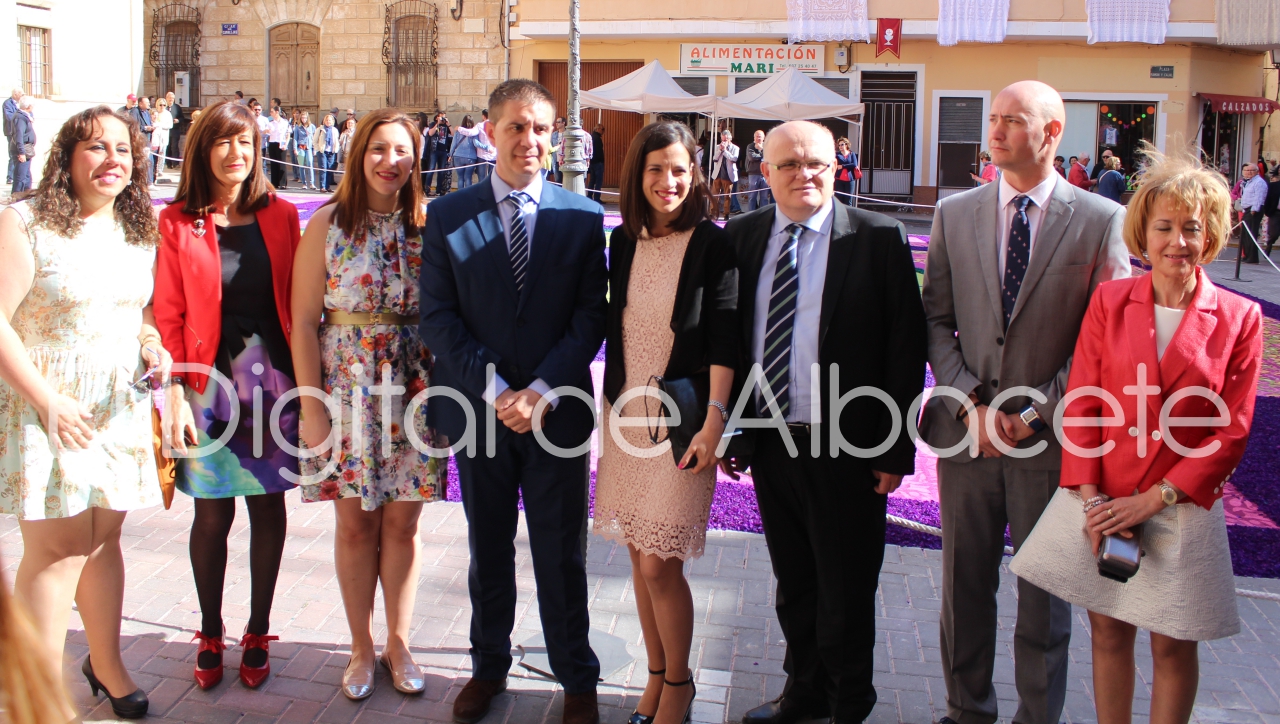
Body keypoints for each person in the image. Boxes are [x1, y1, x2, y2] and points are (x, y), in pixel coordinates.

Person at [1011, 145, 1263, 724]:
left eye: (1192, 228)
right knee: (1108, 631)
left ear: (1213, 235)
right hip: (1105, 498)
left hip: (1182, 502)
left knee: (1174, 641)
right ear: (1143, 235)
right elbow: (1082, 401)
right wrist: (1095, 497)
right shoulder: (1110, 300)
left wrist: (1157, 498)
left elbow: (1232, 426)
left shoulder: (1239, 317)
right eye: (1165, 227)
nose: (1178, 241)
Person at [918, 80, 1131, 724]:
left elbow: (1108, 336)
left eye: (1014, 120)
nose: (997, 130)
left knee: (1044, 603)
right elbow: (936, 319)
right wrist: (972, 406)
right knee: (964, 591)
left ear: (1052, 132)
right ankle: (967, 711)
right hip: (969, 437)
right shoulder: (955, 214)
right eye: (994, 118)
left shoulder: (1099, 221)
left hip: (1050, 448)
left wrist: (1034, 410)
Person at [722, 120, 926, 724]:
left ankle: (847, 704)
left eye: (815, 163)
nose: (803, 174)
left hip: (849, 446)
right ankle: (803, 693)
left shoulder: (877, 236)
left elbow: (904, 346)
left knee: (846, 587)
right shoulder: (742, 234)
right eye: (788, 165)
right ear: (765, 172)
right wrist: (734, 425)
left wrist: (895, 448)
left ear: (835, 167)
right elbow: (733, 339)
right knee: (796, 582)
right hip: (771, 441)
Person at [419, 79, 606, 724]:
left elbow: (590, 318)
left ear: (555, 138)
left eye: (542, 130)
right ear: (491, 132)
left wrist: (542, 391)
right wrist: (501, 392)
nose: (530, 141)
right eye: (517, 128)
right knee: (488, 547)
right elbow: (438, 319)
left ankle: (577, 677)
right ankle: (487, 669)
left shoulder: (580, 218)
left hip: (558, 416)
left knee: (561, 551)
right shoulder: (447, 215)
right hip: (481, 412)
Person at [0, 105, 165, 719]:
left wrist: (151, 344)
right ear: (66, 156)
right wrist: (47, 400)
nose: (112, 160)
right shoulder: (25, 223)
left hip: (116, 403)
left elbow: (137, 312)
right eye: (96, 147)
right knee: (58, 548)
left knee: (102, 541)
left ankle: (106, 663)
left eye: (123, 149)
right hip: (47, 405)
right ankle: (31, 697)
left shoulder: (134, 229)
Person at [292, 107, 441, 702]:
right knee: (354, 524)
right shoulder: (328, 223)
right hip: (345, 386)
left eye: (401, 150)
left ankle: (398, 642)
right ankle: (360, 645)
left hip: (416, 385)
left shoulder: (430, 223)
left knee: (403, 522)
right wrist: (312, 408)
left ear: (416, 158)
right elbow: (304, 322)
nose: (390, 161)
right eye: (377, 149)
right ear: (359, 155)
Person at [153, 100, 301, 691]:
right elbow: (167, 316)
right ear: (203, 150)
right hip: (205, 389)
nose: (235, 154)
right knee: (211, 515)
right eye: (223, 142)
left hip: (273, 389)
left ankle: (258, 630)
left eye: (245, 142)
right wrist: (177, 395)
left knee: (269, 507)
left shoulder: (283, 215)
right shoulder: (176, 222)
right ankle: (211, 629)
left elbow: (299, 305)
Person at [596, 120, 737, 724]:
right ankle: (654, 680)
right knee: (636, 552)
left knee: (660, 561)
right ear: (638, 175)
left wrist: (714, 422)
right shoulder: (624, 241)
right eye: (656, 169)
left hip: (683, 425)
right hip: (626, 418)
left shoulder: (712, 243)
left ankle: (678, 685)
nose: (669, 181)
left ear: (695, 173)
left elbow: (726, 340)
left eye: (680, 169)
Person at [708, 129, 739, 220]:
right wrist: (720, 150)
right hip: (717, 174)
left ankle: (726, 213)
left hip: (728, 175)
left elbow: (734, 159)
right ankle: (712, 212)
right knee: (714, 194)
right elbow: (714, 159)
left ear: (730, 139)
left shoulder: (735, 148)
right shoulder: (718, 146)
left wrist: (725, 151)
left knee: (727, 196)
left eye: (725, 140)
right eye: (722, 140)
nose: (723, 142)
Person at [1240, 162, 1266, 263]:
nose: (1249, 172)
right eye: (1247, 170)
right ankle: (1247, 255)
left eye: (1251, 170)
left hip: (1253, 210)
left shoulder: (1259, 182)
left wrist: (1254, 209)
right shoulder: (1248, 182)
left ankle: (1252, 257)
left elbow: (1259, 197)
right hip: (1247, 209)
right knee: (1245, 234)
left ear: (1256, 171)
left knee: (1251, 233)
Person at [8, 95, 35, 194]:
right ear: (29, 106)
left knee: (26, 176)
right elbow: (18, 135)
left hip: (26, 149)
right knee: (20, 176)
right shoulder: (20, 117)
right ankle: (16, 197)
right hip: (22, 150)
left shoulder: (24, 116)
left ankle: (25, 196)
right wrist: (21, 152)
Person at [449, 114, 484, 189]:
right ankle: (468, 197)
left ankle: (460, 196)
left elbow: (453, 144)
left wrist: (450, 155)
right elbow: (475, 143)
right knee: (468, 178)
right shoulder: (473, 132)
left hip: (458, 156)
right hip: (470, 157)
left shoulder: (458, 132)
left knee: (460, 178)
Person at [264, 106, 290, 189]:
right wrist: (266, 131)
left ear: (277, 112)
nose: (270, 113)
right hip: (272, 144)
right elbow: (265, 132)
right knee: (273, 164)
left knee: (282, 164)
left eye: (272, 111)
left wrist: (286, 144)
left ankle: (282, 183)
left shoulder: (285, 122)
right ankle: (274, 183)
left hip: (281, 143)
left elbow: (288, 134)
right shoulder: (270, 123)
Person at [743, 129, 769, 211]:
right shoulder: (750, 146)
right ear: (754, 137)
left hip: (765, 174)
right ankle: (751, 214)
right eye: (757, 136)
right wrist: (762, 154)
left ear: (764, 137)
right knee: (752, 196)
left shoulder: (767, 146)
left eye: (760, 137)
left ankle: (763, 214)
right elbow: (752, 157)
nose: (758, 138)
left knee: (764, 197)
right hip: (753, 174)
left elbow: (770, 157)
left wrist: (762, 150)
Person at [315, 113, 339, 192]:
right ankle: (322, 187)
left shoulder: (335, 130)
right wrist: (318, 149)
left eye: (330, 120)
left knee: (329, 169)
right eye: (327, 120)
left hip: (331, 152)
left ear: (332, 121)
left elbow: (336, 140)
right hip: (322, 152)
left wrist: (336, 149)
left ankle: (327, 186)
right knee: (323, 169)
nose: (328, 121)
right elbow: (314, 141)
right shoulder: (320, 129)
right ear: (324, 121)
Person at [151, 98, 173, 184]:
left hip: (163, 134)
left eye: (164, 105)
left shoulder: (167, 114)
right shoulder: (155, 113)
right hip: (155, 135)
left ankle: (160, 169)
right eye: (160, 105)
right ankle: (154, 168)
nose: (162, 107)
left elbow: (170, 125)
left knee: (162, 152)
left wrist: (160, 125)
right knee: (154, 151)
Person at [293, 111, 317, 190]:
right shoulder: (298, 127)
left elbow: (314, 138)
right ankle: (304, 183)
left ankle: (311, 183)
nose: (304, 119)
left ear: (307, 118)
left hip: (309, 147)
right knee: (301, 165)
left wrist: (314, 149)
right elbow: (295, 138)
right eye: (302, 118)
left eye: (305, 118)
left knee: (310, 164)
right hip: (301, 148)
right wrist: (295, 149)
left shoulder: (312, 126)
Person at [166, 90, 185, 170]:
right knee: (167, 147)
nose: (171, 100)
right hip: (166, 130)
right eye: (170, 98)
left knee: (174, 147)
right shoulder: (164, 107)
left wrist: (178, 120)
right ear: (166, 98)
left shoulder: (177, 107)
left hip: (175, 130)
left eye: (172, 98)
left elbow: (182, 118)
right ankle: (168, 163)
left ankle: (175, 163)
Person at [834, 136, 857, 202]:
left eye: (842, 144)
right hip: (839, 180)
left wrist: (842, 166)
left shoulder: (852, 154)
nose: (840, 146)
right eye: (839, 145)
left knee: (848, 199)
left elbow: (854, 164)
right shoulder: (837, 155)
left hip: (850, 180)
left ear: (846, 145)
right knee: (839, 199)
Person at [4, 89, 20, 185]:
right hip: (11, 132)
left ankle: (16, 175)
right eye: (20, 94)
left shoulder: (20, 103)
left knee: (20, 154)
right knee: (12, 154)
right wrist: (20, 114)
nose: (22, 96)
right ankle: (10, 177)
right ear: (15, 94)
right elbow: (9, 116)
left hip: (19, 131)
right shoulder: (7, 103)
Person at [477, 108, 496, 182]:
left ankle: (482, 193)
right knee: (492, 178)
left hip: (482, 156)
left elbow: (472, 135)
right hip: (493, 155)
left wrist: (460, 129)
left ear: (483, 116)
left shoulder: (480, 125)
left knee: (482, 178)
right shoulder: (496, 125)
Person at [588, 123, 606, 202]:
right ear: (598, 129)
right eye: (602, 129)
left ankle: (589, 196)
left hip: (592, 162)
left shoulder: (591, 137)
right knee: (598, 181)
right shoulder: (597, 138)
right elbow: (599, 152)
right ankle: (597, 198)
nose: (603, 131)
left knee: (592, 180)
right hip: (598, 162)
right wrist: (601, 161)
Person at [1264, 168, 1279, 256]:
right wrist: (1267, 211)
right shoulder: (1274, 186)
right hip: (1276, 213)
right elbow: (1268, 199)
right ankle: (1269, 245)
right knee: (1274, 234)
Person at [551, 116, 565, 183]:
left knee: (566, 180)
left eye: (558, 122)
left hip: (565, 160)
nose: (556, 124)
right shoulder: (553, 135)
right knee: (557, 180)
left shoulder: (568, 134)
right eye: (556, 122)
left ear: (563, 123)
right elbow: (550, 146)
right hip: (556, 160)